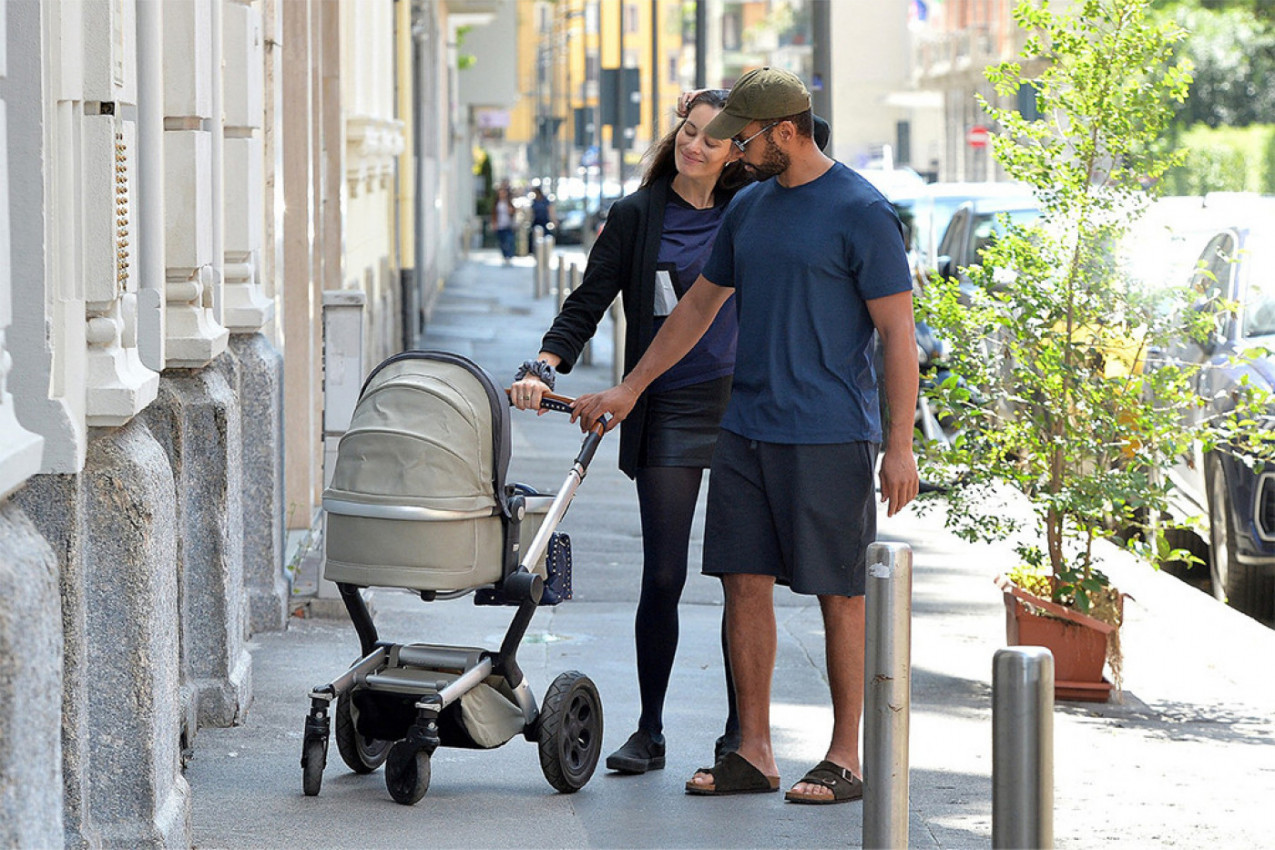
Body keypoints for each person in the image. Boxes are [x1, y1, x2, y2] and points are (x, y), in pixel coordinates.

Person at [571, 67, 920, 804]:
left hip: (829, 434)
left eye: (744, 140)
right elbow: (697, 309)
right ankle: (753, 751)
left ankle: (845, 756)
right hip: (745, 428)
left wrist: (900, 446)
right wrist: (631, 388)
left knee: (839, 593)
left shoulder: (861, 211)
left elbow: (897, 334)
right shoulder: (751, 208)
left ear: (785, 132)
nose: (733, 151)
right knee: (742, 583)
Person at [510, 90, 750, 776]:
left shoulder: (751, 209)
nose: (693, 145)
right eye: (688, 131)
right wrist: (544, 365)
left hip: (743, 406)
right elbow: (588, 302)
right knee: (664, 573)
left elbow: (808, 135)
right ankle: (650, 730)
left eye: (711, 138)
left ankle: (743, 733)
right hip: (665, 401)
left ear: (735, 151)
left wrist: (749, 110)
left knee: (742, 578)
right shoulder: (638, 215)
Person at [492, 183, 516, 265]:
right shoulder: (496, 203)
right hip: (500, 225)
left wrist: (511, 211)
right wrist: (494, 223)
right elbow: (494, 214)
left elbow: (514, 212)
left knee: (509, 241)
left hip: (508, 225)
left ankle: (509, 256)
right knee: (502, 242)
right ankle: (505, 256)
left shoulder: (508, 203)